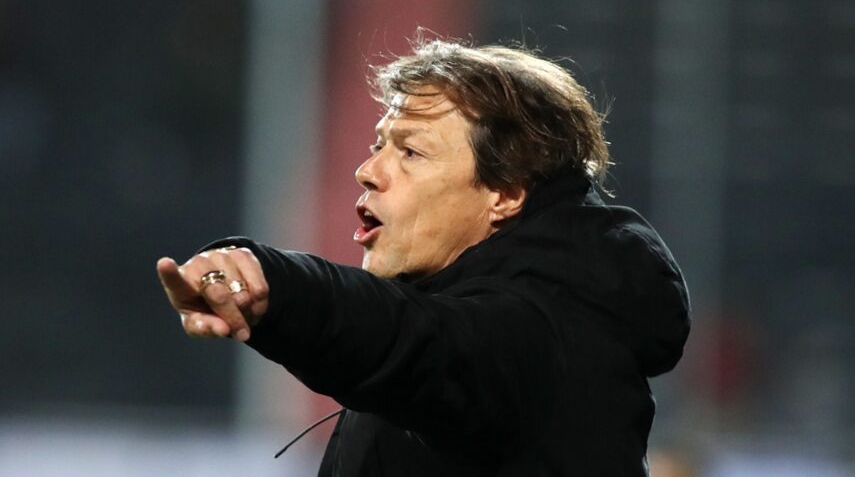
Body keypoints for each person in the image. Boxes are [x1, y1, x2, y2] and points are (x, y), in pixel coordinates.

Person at [157, 38, 691, 476]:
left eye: (411, 152)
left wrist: (278, 286)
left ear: (504, 193)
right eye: (379, 146)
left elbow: (411, 339)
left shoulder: (540, 333)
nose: (368, 171)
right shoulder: (483, 299)